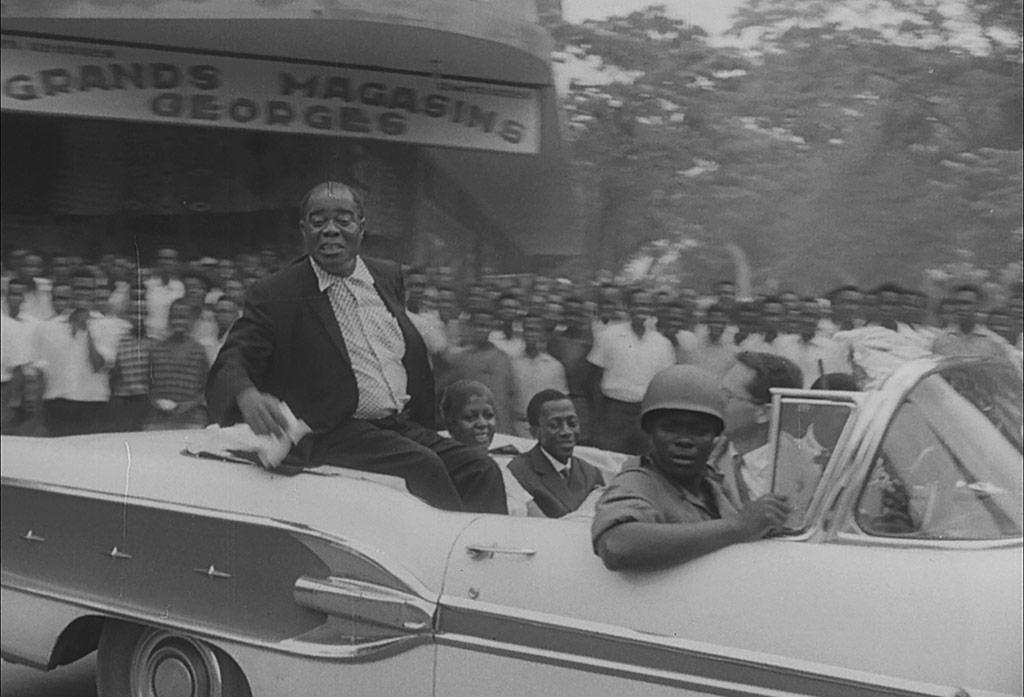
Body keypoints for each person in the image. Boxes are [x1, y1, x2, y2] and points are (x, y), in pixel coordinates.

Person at [207, 181, 506, 513]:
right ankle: (461, 553)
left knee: (480, 468)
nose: (331, 230)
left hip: (398, 424)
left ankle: (495, 552)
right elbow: (233, 357)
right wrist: (246, 394)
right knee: (424, 466)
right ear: (304, 230)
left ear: (362, 227)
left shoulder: (387, 275)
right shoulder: (277, 292)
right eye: (318, 221)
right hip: (333, 428)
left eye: (343, 219)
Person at [591, 365, 791, 571]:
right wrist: (739, 525)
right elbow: (617, 546)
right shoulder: (638, 482)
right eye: (670, 428)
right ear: (649, 430)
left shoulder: (711, 483)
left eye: (700, 431)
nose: (684, 440)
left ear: (715, 436)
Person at [587, 288, 675, 455]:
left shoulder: (662, 343)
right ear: (628, 307)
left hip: (646, 413)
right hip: (614, 411)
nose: (641, 309)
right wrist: (599, 418)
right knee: (610, 460)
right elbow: (594, 378)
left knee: (644, 462)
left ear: (651, 308)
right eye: (637, 304)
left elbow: (666, 384)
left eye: (645, 305)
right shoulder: (608, 336)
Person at [440, 379, 541, 517]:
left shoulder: (499, 467)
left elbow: (537, 516)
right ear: (451, 425)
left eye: (488, 416)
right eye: (470, 417)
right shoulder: (447, 472)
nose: (482, 424)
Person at [508, 389, 605, 518]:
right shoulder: (518, 472)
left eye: (572, 423)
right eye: (554, 425)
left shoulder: (591, 473)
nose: (566, 431)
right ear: (534, 432)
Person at [146, 298, 209, 430]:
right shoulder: (156, 350)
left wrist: (190, 405)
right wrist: (158, 403)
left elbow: (206, 388)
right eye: (175, 317)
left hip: (192, 420)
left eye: (183, 317)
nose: (179, 321)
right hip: (159, 420)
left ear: (191, 320)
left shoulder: (199, 351)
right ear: (169, 319)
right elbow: (148, 385)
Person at [510, 315, 568, 438]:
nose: (530, 334)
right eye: (527, 330)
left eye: (535, 330)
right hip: (517, 427)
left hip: (545, 428)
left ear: (542, 334)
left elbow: (559, 402)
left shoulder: (554, 366)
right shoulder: (512, 363)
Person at [932, 284, 1008, 361]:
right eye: (957, 303)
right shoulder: (941, 340)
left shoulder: (994, 343)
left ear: (978, 306)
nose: (961, 308)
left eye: (966, 303)